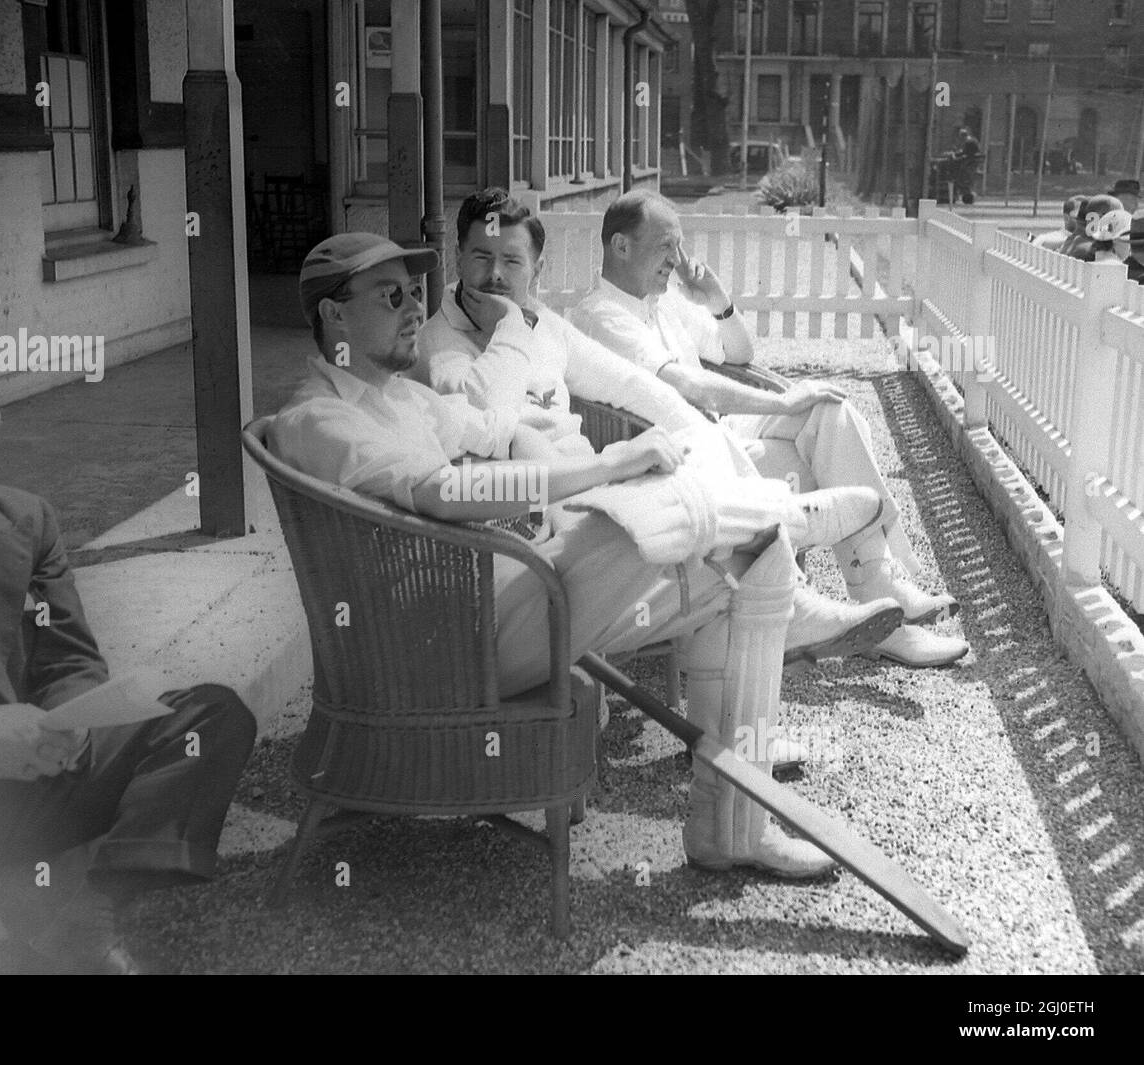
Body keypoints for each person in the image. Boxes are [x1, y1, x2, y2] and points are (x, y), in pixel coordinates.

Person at [270, 233, 907, 880]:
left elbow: (495, 426)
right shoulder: (320, 421)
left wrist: (540, 455)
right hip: (442, 647)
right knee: (630, 520)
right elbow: (443, 490)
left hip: (486, 595)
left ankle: (729, 827)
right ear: (333, 313)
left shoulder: (401, 398)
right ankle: (782, 520)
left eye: (414, 292)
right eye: (391, 295)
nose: (413, 308)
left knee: (733, 583)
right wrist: (602, 464)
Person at [0, 309, 257, 974]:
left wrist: (74, 723)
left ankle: (91, 903)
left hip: (31, 774)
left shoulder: (24, 517)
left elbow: (67, 655)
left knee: (209, 714)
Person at [412, 186, 916, 673]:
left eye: (512, 261)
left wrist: (693, 436)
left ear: (538, 271)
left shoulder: (545, 324)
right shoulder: (441, 342)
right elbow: (484, 421)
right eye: (481, 258)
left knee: (696, 449)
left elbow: (635, 388)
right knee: (704, 540)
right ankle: (793, 536)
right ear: (458, 258)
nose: (494, 275)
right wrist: (510, 328)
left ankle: (785, 584)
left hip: (595, 482)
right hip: (537, 514)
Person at [569, 189, 969, 669]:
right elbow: (695, 389)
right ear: (620, 246)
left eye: (679, 246)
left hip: (718, 435)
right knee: (818, 454)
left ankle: (877, 589)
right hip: (679, 465)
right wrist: (781, 400)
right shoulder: (601, 316)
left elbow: (739, 354)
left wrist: (717, 301)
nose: (677, 261)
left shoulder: (664, 302)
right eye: (664, 247)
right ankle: (880, 612)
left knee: (831, 412)